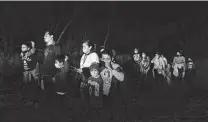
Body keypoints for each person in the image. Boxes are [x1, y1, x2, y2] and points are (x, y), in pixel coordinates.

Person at [100, 49, 124, 120]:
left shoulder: (115, 66)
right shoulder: (100, 67)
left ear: (112, 59)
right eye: (103, 59)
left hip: (114, 93)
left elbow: (121, 78)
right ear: (101, 59)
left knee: (114, 111)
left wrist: (109, 67)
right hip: (103, 93)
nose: (105, 61)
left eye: (108, 59)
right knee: (105, 111)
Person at [76, 40, 100, 115]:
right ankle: (85, 112)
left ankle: (91, 114)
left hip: (90, 80)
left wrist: (83, 69)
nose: (82, 48)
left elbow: (95, 69)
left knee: (90, 98)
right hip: (83, 78)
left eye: (84, 46)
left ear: (90, 47)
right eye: (82, 46)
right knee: (83, 96)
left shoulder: (94, 55)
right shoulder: (83, 55)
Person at [20, 41, 40, 108]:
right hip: (26, 71)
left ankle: (36, 100)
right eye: (21, 47)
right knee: (26, 83)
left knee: (35, 84)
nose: (22, 48)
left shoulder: (30, 52)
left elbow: (33, 51)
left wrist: (33, 46)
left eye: (23, 47)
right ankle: (26, 99)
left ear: (28, 48)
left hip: (33, 70)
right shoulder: (22, 54)